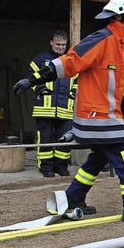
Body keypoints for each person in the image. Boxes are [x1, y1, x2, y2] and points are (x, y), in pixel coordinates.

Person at [13, 0, 124, 222]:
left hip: (103, 116)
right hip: (100, 117)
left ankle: (74, 198)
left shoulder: (118, 44)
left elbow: (118, 84)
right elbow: (69, 62)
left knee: (98, 158)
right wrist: (34, 80)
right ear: (120, 16)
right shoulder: (102, 39)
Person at [27, 30, 77, 177]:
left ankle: (61, 167)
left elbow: (79, 79)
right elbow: (31, 77)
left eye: (63, 44)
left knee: (65, 139)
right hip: (44, 108)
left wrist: (74, 91)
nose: (60, 47)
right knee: (45, 139)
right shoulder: (40, 59)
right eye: (57, 44)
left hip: (65, 107)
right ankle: (46, 167)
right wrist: (40, 88)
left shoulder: (71, 60)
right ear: (51, 43)